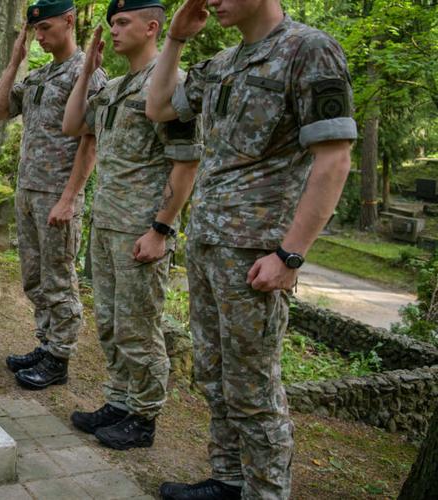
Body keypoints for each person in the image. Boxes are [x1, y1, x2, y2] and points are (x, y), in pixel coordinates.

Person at [145, 0, 356, 498]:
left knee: (255, 391)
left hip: (257, 255)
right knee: (216, 377)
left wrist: (290, 255)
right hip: (209, 245)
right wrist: (174, 40)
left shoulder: (310, 51)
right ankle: (227, 479)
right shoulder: (222, 63)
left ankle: (265, 493)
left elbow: (334, 160)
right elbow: (158, 108)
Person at [61, 0, 201, 451]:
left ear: (151, 27)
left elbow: (186, 164)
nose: (114, 30)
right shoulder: (117, 86)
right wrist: (88, 70)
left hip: (141, 228)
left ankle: (143, 416)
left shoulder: (170, 84)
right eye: (112, 23)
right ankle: (118, 402)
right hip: (106, 225)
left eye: (123, 22)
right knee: (110, 323)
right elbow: (72, 126)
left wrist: (161, 229)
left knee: (140, 328)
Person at [0, 0, 106, 390]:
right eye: (34, 31)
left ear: (69, 22)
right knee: (34, 278)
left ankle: (61, 356)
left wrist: (71, 197)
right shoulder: (38, 76)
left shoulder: (86, 73)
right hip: (29, 192)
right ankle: (47, 344)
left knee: (59, 278)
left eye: (45, 29)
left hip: (58, 193)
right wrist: (14, 60)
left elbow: (89, 143)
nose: (39, 37)